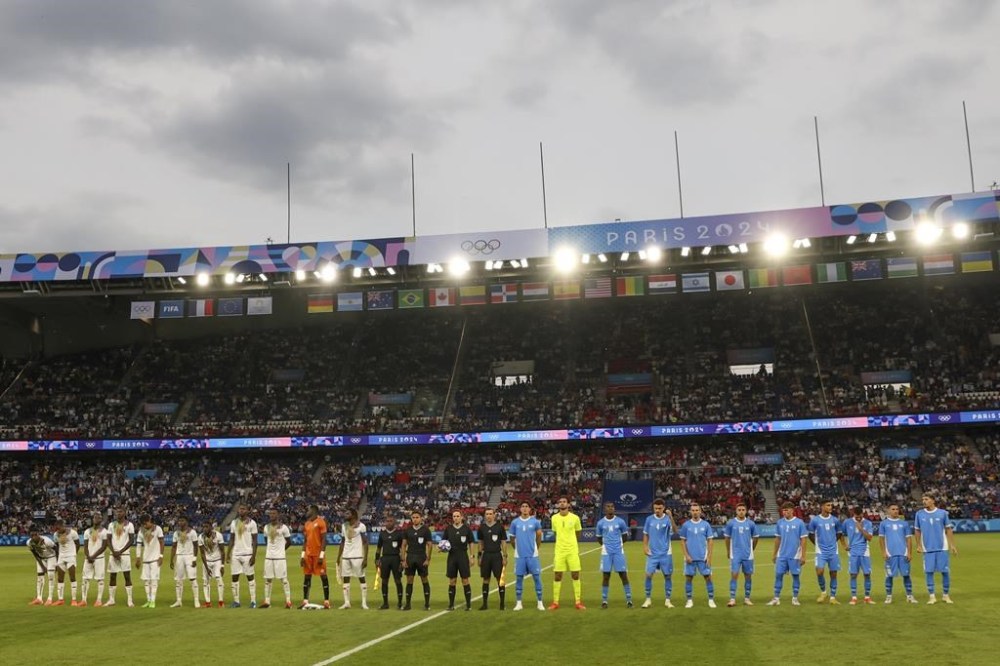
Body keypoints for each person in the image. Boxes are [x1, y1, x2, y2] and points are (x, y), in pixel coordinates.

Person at [914, 493, 957, 604]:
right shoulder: (919, 514)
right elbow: (917, 530)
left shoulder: (942, 513)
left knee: (945, 572)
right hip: (927, 548)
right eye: (923, 499)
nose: (924, 501)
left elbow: (948, 529)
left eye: (926, 499)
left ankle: (946, 595)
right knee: (929, 572)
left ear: (933, 500)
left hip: (942, 547)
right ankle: (932, 596)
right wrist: (918, 545)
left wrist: (952, 545)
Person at [767, 502, 807, 606]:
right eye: (783, 510)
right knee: (778, 575)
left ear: (792, 510)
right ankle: (776, 598)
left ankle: (795, 598)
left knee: (795, 576)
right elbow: (777, 539)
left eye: (787, 510)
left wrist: (803, 555)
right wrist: (774, 554)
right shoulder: (780, 522)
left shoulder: (799, 523)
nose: (785, 512)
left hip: (795, 555)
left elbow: (803, 540)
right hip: (782, 555)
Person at [508, 501, 545, 611]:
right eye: (523, 506)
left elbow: (539, 536)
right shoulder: (515, 522)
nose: (524, 508)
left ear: (530, 509)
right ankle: (519, 603)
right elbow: (512, 539)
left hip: (532, 555)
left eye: (526, 507)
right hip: (520, 556)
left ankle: (540, 602)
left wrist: (536, 549)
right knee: (519, 578)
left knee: (537, 577)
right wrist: (517, 549)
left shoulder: (535, 522)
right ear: (520, 509)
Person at [549, 496, 584, 610]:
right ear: (558, 505)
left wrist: (572, 543)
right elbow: (555, 533)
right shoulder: (554, 518)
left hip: (572, 550)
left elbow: (578, 532)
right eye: (560, 502)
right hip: (559, 551)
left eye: (564, 502)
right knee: (558, 575)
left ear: (568, 504)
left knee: (575, 575)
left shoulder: (575, 518)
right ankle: (555, 602)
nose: (562, 504)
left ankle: (578, 602)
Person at [678, 503, 716, 609]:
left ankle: (711, 600)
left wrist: (709, 556)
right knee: (689, 578)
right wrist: (686, 555)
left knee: (708, 578)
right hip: (690, 558)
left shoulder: (706, 525)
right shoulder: (686, 525)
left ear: (700, 511)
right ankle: (689, 600)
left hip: (703, 557)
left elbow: (710, 541)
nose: (695, 512)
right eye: (693, 510)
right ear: (690, 512)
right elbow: (682, 541)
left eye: (696, 510)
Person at [808, 500, 845, 605]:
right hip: (821, 551)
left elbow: (839, 532)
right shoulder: (815, 520)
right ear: (822, 506)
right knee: (819, 571)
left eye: (831, 505)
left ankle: (833, 597)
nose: (830, 507)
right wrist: (817, 545)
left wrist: (833, 542)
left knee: (833, 574)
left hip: (833, 551)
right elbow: (810, 534)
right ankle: (823, 592)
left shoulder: (835, 520)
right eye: (828, 505)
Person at [878, 504, 917, 604]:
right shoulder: (884, 524)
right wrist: (883, 552)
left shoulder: (904, 523)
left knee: (906, 575)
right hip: (890, 554)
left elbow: (908, 539)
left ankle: (909, 596)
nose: (895, 511)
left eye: (897, 509)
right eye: (893, 509)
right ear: (888, 511)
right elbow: (881, 539)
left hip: (903, 553)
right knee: (889, 576)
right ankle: (889, 596)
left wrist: (909, 552)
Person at [596, 501, 632, 608]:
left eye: (612, 507)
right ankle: (604, 601)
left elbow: (625, 537)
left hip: (618, 552)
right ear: (604, 509)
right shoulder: (600, 523)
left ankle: (629, 600)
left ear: (614, 509)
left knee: (623, 575)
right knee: (606, 576)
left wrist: (617, 545)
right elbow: (598, 538)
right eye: (608, 507)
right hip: (606, 552)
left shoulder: (620, 522)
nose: (610, 508)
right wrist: (607, 546)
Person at [641, 498, 676, 608]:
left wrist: (671, 517)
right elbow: (646, 534)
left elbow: (675, 531)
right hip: (653, 553)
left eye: (660, 508)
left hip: (666, 553)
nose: (657, 510)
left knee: (667, 576)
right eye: (656, 508)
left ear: (664, 508)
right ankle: (647, 599)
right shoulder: (649, 519)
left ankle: (667, 600)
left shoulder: (667, 519)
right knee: (648, 575)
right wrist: (645, 547)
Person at [723, 503, 758, 607]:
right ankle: (732, 599)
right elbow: (727, 538)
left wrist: (752, 549)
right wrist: (729, 551)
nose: (741, 511)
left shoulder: (751, 524)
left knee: (748, 576)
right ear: (736, 511)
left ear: (746, 511)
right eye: (739, 509)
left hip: (748, 555)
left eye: (743, 509)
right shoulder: (731, 523)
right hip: (735, 554)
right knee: (734, 575)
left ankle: (747, 598)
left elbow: (756, 537)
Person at [227, 503, 259, 608]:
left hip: (247, 554)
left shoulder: (252, 523)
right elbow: (232, 539)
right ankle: (236, 601)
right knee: (234, 577)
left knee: (250, 577)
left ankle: (253, 601)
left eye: (243, 509)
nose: (241, 511)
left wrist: (254, 556)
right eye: (240, 509)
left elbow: (255, 541)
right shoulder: (233, 523)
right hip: (236, 554)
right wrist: (228, 553)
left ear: (247, 510)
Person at [476, 506, 508, 611]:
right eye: (487, 514)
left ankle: (502, 604)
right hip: (486, 556)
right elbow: (480, 542)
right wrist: (479, 556)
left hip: (497, 556)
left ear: (494, 515)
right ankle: (484, 604)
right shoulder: (482, 528)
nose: (489, 516)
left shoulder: (499, 527)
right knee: (486, 579)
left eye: (490, 514)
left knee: (500, 580)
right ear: (485, 516)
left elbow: (503, 542)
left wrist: (505, 556)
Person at [400, 510, 433, 610]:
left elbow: (430, 545)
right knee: (409, 580)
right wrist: (403, 560)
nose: (415, 519)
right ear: (411, 518)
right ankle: (408, 604)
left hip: (421, 557)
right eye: (413, 517)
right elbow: (404, 545)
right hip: (410, 557)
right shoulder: (407, 530)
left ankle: (427, 604)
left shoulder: (426, 530)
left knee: (424, 579)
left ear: (421, 518)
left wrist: (428, 559)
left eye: (417, 517)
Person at [337, 508, 369, 609]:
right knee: (346, 578)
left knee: (361, 578)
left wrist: (365, 558)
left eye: (347, 513)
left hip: (358, 556)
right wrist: (339, 556)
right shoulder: (344, 526)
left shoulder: (361, 526)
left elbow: (365, 542)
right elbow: (342, 542)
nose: (345, 514)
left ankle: (364, 603)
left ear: (353, 515)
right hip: (346, 556)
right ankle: (347, 602)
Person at [442, 509, 474, 611]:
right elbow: (443, 542)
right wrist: (442, 548)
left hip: (463, 556)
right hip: (452, 556)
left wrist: (472, 556)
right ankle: (451, 605)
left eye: (457, 516)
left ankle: (468, 605)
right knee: (452, 581)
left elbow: (471, 543)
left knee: (465, 580)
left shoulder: (466, 529)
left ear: (461, 517)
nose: (455, 518)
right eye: (454, 516)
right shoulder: (448, 529)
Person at [301, 504, 331, 609]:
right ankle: (305, 600)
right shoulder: (307, 524)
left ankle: (326, 601)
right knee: (307, 576)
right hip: (308, 555)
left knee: (323, 576)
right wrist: (302, 555)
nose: (307, 512)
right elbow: (305, 540)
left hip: (318, 554)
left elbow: (324, 539)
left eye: (308, 510)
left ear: (313, 511)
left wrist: (321, 555)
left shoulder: (321, 522)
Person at [262, 508, 292, 609]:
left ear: (278, 515)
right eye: (270, 514)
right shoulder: (266, 527)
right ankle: (267, 601)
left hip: (280, 558)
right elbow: (266, 541)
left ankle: (288, 601)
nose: (272, 515)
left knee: (284, 580)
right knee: (268, 580)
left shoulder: (284, 527)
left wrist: (282, 551)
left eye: (274, 513)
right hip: (269, 557)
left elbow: (289, 541)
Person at [843, 507, 874, 605]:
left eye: (860, 517)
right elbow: (841, 534)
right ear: (853, 514)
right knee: (853, 574)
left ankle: (867, 597)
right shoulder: (847, 522)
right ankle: (854, 597)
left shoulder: (868, 523)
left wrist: (861, 529)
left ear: (862, 514)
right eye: (857, 517)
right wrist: (845, 545)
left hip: (865, 551)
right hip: (852, 551)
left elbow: (869, 538)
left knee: (867, 574)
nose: (859, 519)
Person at [105, 507, 135, 607]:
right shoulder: (111, 525)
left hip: (125, 554)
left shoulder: (130, 525)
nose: (118, 513)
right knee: (112, 576)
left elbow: (131, 540)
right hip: (113, 554)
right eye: (117, 512)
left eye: (120, 511)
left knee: (127, 576)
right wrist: (114, 551)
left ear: (125, 512)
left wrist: (120, 551)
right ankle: (111, 600)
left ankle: (130, 600)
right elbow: (108, 539)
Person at [374, 514, 404, 610]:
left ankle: (399, 603)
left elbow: (402, 548)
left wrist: (402, 560)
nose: (389, 522)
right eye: (387, 521)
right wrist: (377, 559)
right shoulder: (382, 534)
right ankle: (385, 603)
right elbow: (379, 548)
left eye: (391, 521)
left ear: (394, 522)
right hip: (385, 559)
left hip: (396, 559)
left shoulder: (399, 534)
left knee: (397, 580)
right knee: (384, 580)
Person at [169, 516, 200, 608]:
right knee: (178, 580)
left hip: (189, 556)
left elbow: (195, 546)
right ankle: (178, 601)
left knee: (192, 578)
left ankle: (196, 600)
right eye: (179, 521)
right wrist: (171, 559)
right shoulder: (176, 533)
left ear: (186, 522)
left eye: (182, 520)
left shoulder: (192, 532)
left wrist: (194, 558)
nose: (180, 522)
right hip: (179, 557)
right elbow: (174, 546)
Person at [134, 514, 164, 609]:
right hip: (146, 559)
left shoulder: (158, 529)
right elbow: (138, 545)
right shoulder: (141, 531)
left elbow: (162, 542)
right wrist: (138, 558)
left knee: (154, 580)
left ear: (150, 521)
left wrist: (161, 556)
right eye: (143, 524)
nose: (145, 526)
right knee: (146, 581)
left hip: (155, 559)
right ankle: (148, 600)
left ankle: (153, 601)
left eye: (146, 523)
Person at [81, 513, 108, 607]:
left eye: (99, 518)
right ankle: (83, 600)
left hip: (99, 558)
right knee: (85, 579)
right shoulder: (87, 531)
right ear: (93, 519)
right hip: (88, 558)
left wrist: (94, 556)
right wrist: (88, 556)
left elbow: (104, 546)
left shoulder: (105, 531)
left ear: (101, 520)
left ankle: (99, 600)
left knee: (100, 579)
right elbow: (85, 545)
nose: (97, 519)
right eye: (95, 517)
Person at [52, 519, 80, 606]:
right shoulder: (56, 535)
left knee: (72, 577)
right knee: (60, 578)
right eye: (58, 527)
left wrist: (74, 554)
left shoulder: (72, 533)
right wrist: (57, 559)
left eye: (60, 527)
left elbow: (78, 544)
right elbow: (56, 547)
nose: (59, 529)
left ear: (64, 526)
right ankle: (60, 599)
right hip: (61, 557)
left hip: (71, 556)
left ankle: (74, 600)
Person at [198, 520, 226, 607]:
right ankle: (207, 602)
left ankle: (221, 602)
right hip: (207, 561)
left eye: (206, 527)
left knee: (219, 579)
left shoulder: (218, 535)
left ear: (211, 527)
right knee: (205, 582)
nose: (205, 529)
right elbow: (202, 553)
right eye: (203, 527)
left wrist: (222, 565)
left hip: (217, 560)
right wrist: (206, 568)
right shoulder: (201, 537)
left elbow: (222, 551)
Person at [27, 527, 56, 606]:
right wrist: (42, 566)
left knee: (50, 576)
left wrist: (58, 562)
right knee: (39, 577)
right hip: (41, 558)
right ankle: (39, 598)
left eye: (35, 535)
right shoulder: (29, 542)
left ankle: (50, 598)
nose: (33, 537)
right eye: (31, 535)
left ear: (38, 534)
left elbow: (56, 549)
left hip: (51, 557)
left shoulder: (46, 540)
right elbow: (35, 555)